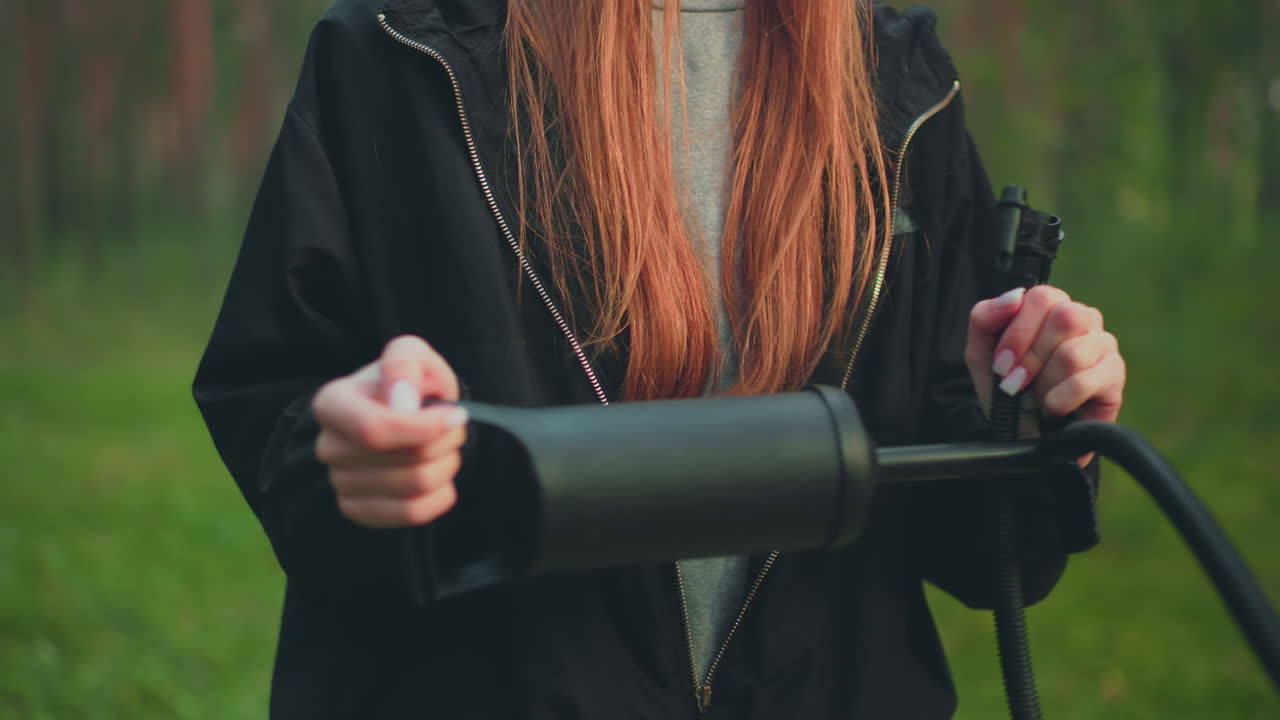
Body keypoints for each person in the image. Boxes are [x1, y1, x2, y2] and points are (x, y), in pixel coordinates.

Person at [193, 0, 1126, 717]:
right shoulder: (401, 46)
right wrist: (346, 452)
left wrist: (1038, 421)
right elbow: (276, 396)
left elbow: (979, 549)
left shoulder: (898, 77)